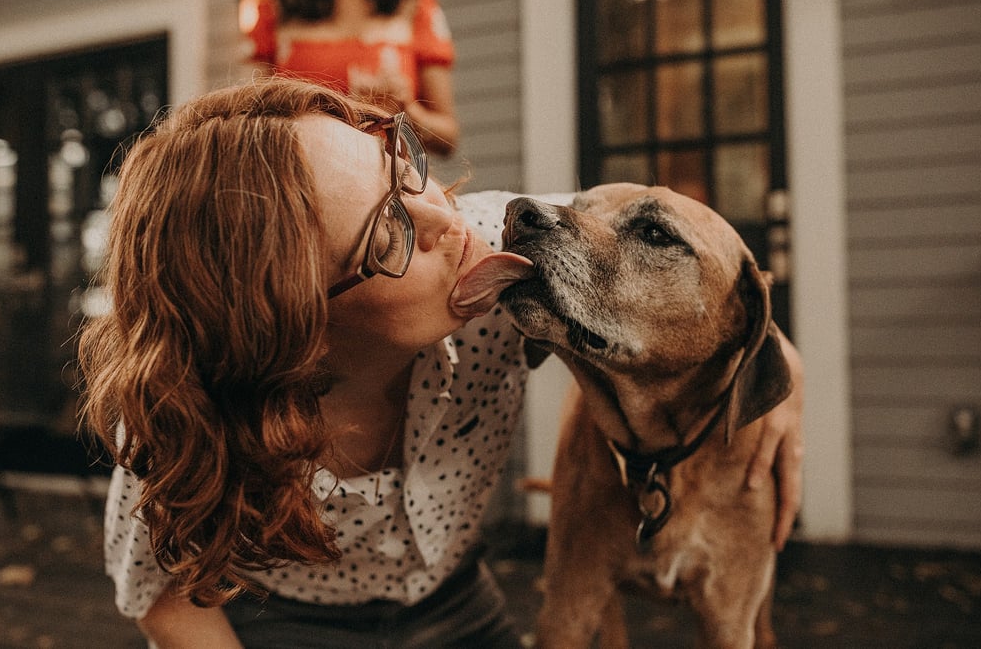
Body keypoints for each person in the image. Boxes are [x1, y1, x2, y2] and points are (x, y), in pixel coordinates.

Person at [78, 77, 803, 648]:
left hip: (454, 605)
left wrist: (783, 372)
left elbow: (685, 264)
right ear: (289, 326)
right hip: (274, 622)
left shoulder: (501, 252)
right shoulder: (182, 409)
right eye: (388, 231)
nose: (446, 217)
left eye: (406, 166)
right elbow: (162, 600)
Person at [239, 0, 459, 156]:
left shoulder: (416, 10)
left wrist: (407, 113)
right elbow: (248, 118)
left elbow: (448, 139)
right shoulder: (271, 10)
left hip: (387, 184)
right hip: (300, 179)